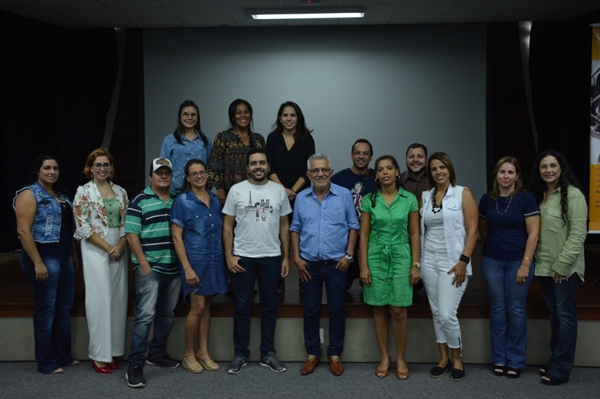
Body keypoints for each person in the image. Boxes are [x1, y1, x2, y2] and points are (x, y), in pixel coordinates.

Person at [222, 148, 291, 374]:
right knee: (242, 307)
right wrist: (229, 256)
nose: (258, 167)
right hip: (243, 257)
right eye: (253, 163)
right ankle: (240, 354)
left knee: (269, 307)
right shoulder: (236, 190)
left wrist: (285, 257)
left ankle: (268, 353)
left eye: (262, 162)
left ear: (268, 166)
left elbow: (284, 226)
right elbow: (227, 226)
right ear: (247, 167)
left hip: (271, 256)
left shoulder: (278, 191)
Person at [290, 153, 360, 376]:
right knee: (310, 310)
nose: (320, 174)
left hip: (336, 265)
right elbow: (295, 229)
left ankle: (334, 354)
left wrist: (348, 255)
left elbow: (353, 226)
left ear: (330, 172)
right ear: (309, 175)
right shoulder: (301, 197)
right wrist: (296, 257)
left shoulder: (343, 195)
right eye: (315, 171)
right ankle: (312, 353)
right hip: (308, 264)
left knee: (337, 310)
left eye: (324, 170)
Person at [13, 154, 80, 374]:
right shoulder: (29, 194)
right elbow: (23, 231)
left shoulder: (61, 194)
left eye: (55, 168)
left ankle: (63, 356)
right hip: (43, 257)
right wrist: (37, 263)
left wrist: (72, 254)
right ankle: (46, 362)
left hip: (63, 256)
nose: (52, 172)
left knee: (64, 307)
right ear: (38, 171)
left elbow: (67, 228)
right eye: (47, 168)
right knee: (47, 309)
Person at [359, 155, 420, 380]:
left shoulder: (409, 199)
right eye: (380, 169)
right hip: (375, 255)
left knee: (398, 310)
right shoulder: (369, 200)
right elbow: (363, 234)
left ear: (397, 172)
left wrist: (415, 264)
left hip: (402, 255)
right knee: (378, 308)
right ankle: (384, 356)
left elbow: (414, 233)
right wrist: (364, 265)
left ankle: (401, 357)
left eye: (389, 168)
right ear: (376, 175)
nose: (385, 172)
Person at [478, 156, 540, 379]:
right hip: (492, 262)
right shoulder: (487, 200)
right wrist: (494, 245)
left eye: (510, 172)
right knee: (497, 309)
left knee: (515, 309)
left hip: (518, 262)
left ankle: (515, 360)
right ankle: (499, 359)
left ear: (517, 176)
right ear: (496, 175)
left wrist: (525, 263)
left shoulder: (526, 198)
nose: (506, 176)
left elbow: (533, 233)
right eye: (502, 172)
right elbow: (482, 229)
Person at [529, 150, 587, 386]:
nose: (548, 170)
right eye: (544, 166)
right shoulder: (541, 195)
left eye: (553, 165)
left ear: (562, 168)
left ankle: (562, 368)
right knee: (555, 316)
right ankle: (556, 360)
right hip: (544, 267)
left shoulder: (573, 195)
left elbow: (578, 234)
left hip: (565, 269)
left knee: (565, 316)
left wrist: (562, 265)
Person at [420, 152, 478, 382]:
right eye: (434, 169)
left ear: (449, 169)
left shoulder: (463, 193)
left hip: (453, 261)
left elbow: (473, 230)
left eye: (442, 167)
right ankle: (443, 358)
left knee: (447, 312)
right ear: (430, 173)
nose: (438, 172)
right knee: (436, 312)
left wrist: (464, 260)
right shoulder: (426, 196)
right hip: (428, 261)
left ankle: (457, 358)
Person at [125, 158, 181, 388]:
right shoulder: (139, 200)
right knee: (145, 316)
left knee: (166, 314)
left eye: (167, 172)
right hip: (151, 268)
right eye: (159, 173)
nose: (163, 176)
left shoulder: (178, 199)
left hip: (174, 267)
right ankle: (135, 365)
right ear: (151, 177)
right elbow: (131, 234)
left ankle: (156, 353)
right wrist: (144, 264)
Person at [73, 147, 129, 374]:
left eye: (106, 165)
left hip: (119, 246)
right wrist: (108, 247)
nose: (102, 169)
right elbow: (82, 226)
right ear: (90, 168)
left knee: (118, 299)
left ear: (111, 167)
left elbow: (127, 222)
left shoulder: (121, 191)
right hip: (96, 247)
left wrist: (121, 245)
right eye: (98, 165)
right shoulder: (83, 192)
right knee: (100, 299)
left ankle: (112, 351)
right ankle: (98, 354)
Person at [171, 159, 228, 374]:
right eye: (193, 173)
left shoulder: (215, 200)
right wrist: (186, 268)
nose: (199, 176)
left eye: (202, 172)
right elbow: (177, 237)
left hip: (215, 261)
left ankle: (204, 352)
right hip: (194, 262)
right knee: (198, 307)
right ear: (187, 178)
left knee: (207, 308)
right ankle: (188, 353)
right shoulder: (182, 202)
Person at [266, 101, 315, 294]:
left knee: (303, 236)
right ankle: (278, 278)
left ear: (298, 117)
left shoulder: (307, 139)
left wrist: (292, 190)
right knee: (277, 235)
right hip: (276, 193)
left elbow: (309, 168)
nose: (288, 119)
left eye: (292, 115)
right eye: (285, 115)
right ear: (279, 118)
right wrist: (283, 190)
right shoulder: (272, 138)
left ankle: (305, 279)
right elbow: (270, 167)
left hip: (302, 195)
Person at [331, 139, 376, 290]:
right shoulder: (338, 179)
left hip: (371, 235)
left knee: (369, 282)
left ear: (371, 157)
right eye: (357, 153)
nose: (361, 156)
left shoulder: (378, 179)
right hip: (345, 235)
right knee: (343, 285)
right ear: (351, 155)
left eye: (365, 153)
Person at [209, 99, 266, 205]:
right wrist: (220, 190)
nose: (243, 115)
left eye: (246, 112)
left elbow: (264, 165)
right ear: (232, 117)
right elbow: (215, 165)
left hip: (256, 191)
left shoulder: (258, 139)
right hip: (230, 192)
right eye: (238, 113)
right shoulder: (223, 137)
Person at [160, 100, 212, 193]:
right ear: (180, 116)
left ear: (198, 117)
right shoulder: (170, 140)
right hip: (175, 192)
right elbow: (163, 167)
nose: (189, 117)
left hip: (200, 191)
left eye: (193, 115)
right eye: (185, 114)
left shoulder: (205, 140)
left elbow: (210, 166)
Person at [400, 143, 428, 211]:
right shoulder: (398, 181)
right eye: (411, 156)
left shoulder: (435, 178)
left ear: (426, 160)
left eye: (420, 156)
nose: (415, 160)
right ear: (406, 160)